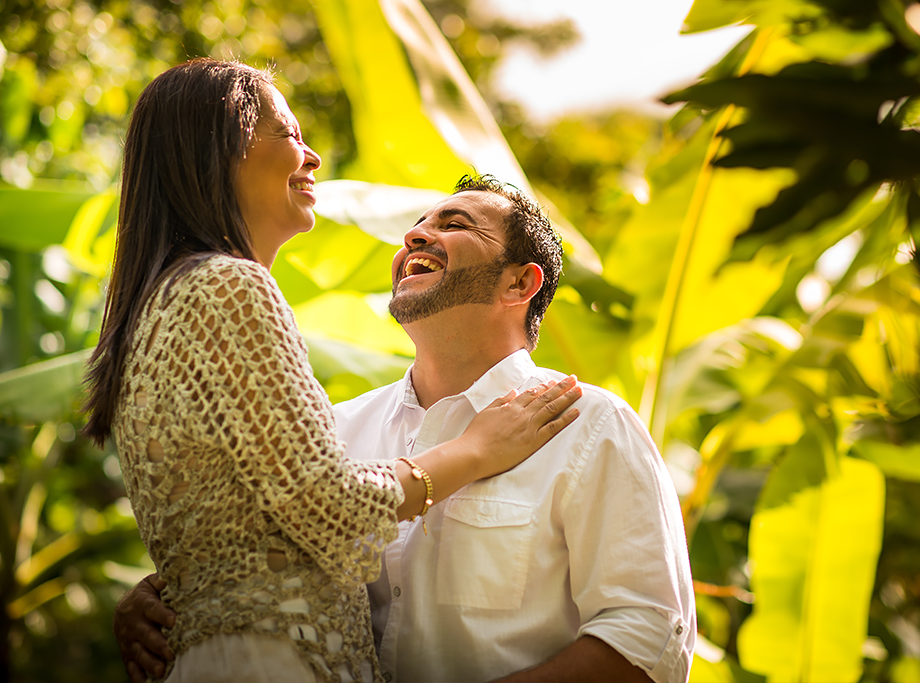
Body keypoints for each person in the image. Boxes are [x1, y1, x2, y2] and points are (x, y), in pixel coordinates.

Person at [85, 60, 581, 683]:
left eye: (453, 225)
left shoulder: (163, 306)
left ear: (522, 283)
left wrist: (173, 590)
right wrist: (476, 450)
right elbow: (328, 509)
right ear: (225, 146)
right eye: (289, 134)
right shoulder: (230, 288)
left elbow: (249, 525)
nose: (313, 156)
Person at [118, 174, 696, 683]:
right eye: (416, 225)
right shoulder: (334, 431)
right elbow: (261, 559)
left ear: (519, 285)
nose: (414, 236)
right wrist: (169, 597)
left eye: (455, 224)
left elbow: (645, 642)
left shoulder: (590, 425)